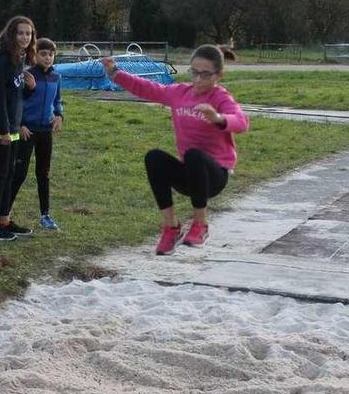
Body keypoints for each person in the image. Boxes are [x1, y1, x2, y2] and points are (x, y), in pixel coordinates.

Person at [102, 44, 249, 256]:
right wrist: (115, 73)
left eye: (205, 74)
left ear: (219, 75)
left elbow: (241, 122)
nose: (198, 79)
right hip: (190, 176)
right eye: (194, 72)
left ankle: (200, 225)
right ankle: (171, 226)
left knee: (194, 155)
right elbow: (148, 88)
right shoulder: (180, 93)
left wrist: (218, 118)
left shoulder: (220, 97)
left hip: (214, 176)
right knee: (154, 157)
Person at [0, 15, 37, 241]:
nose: (24, 37)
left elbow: (15, 96)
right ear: (11, 34)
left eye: (28, 33)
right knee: (0, 174)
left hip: (13, 125)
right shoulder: (2, 59)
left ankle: (4, 220)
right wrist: (4, 129)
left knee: (10, 173)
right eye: (20, 33)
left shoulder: (18, 59)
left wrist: (30, 89)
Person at [12, 37, 64, 230]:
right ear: (35, 55)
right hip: (27, 131)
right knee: (20, 173)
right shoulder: (27, 75)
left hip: (45, 131)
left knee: (44, 173)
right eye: (43, 54)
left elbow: (58, 101)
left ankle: (45, 214)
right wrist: (20, 124)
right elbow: (17, 102)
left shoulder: (56, 77)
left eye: (51, 54)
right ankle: (4, 212)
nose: (48, 57)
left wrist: (59, 115)